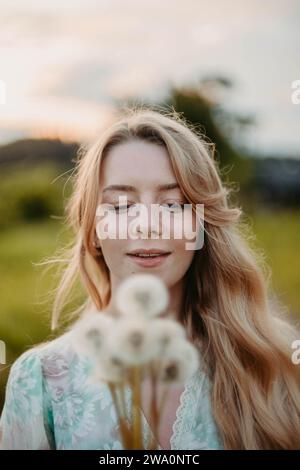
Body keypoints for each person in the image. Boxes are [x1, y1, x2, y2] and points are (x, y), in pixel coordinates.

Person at [0, 107, 299, 450]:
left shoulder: (268, 366)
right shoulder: (42, 381)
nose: (147, 224)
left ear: (200, 225)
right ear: (94, 230)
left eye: (172, 205)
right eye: (121, 205)